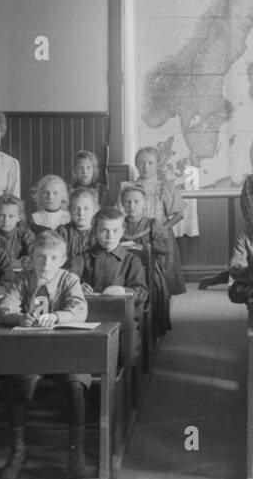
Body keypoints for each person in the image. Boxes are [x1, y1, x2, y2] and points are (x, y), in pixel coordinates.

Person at [0, 231, 91, 479]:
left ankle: (75, 451)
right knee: (17, 380)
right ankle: (17, 450)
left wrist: (58, 317)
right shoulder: (23, 280)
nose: (46, 264)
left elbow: (80, 309)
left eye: (52, 257)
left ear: (63, 259)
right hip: (31, 350)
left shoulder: (69, 279)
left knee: (76, 383)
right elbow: (3, 309)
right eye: (40, 257)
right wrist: (19, 317)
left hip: (66, 351)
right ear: (30, 258)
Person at [68, 207, 148, 363]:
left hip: (121, 321)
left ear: (122, 231)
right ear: (95, 231)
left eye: (115, 230)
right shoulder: (83, 258)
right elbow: (66, 280)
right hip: (86, 318)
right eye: (104, 230)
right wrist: (78, 286)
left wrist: (124, 290)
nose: (110, 236)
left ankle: (125, 383)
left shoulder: (131, 260)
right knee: (76, 353)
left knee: (126, 354)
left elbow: (142, 291)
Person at [119, 183, 174, 334]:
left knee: (154, 287)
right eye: (127, 202)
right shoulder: (119, 223)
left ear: (144, 203)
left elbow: (165, 247)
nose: (132, 205)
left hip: (148, 269)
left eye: (136, 202)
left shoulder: (152, 223)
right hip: (123, 269)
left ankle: (151, 329)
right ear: (122, 204)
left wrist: (145, 247)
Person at [132, 148, 187, 295]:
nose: (146, 166)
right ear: (136, 164)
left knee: (162, 275)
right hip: (136, 234)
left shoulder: (164, 187)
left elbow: (179, 214)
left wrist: (163, 228)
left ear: (157, 165)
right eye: (141, 162)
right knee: (139, 272)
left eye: (150, 163)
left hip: (160, 236)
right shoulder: (130, 188)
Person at [0, 195, 35, 269]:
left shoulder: (25, 234)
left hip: (21, 275)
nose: (6, 220)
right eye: (2, 215)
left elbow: (34, 256)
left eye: (11, 216)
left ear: (19, 217)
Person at [58, 188, 99, 262]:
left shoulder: (98, 232)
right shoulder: (63, 232)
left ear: (94, 210)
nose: (81, 213)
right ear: (70, 210)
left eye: (86, 209)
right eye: (76, 208)